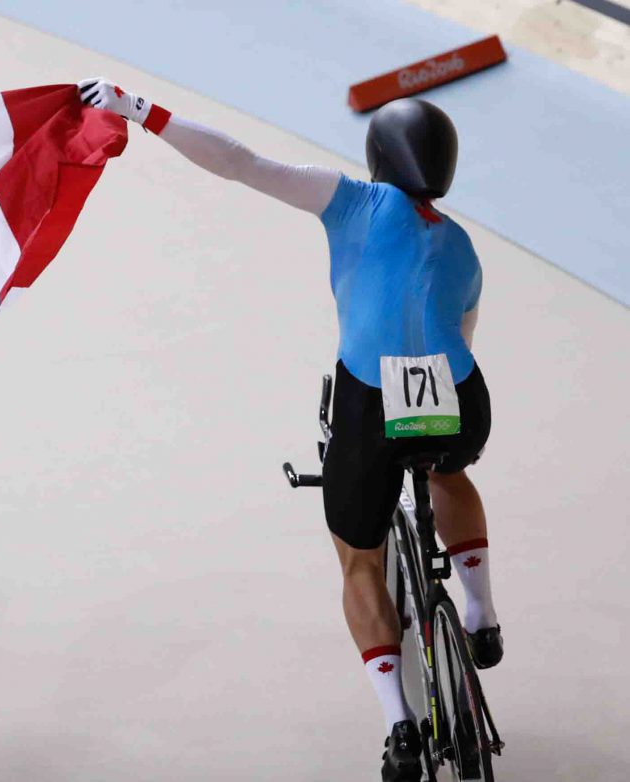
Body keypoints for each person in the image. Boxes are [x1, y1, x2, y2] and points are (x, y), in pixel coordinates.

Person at [78, 79, 501, 781]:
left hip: (368, 401)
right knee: (447, 470)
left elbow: (242, 163)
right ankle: (484, 616)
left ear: (379, 158)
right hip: (460, 393)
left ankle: (400, 724)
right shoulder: (462, 247)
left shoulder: (354, 203)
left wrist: (143, 111)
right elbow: (464, 330)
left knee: (360, 560)